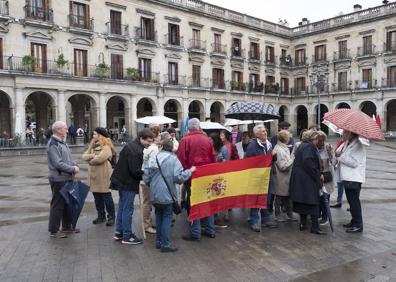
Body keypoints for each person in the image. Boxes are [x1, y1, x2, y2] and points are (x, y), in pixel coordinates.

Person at [143, 137, 196, 252]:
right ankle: (165, 243)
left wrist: (152, 184)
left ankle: (159, 241)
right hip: (167, 194)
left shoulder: (153, 157)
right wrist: (190, 171)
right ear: (172, 148)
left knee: (159, 215)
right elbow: (179, 178)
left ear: (161, 147)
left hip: (154, 193)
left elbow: (146, 176)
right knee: (167, 216)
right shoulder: (173, 159)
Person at [110, 128, 155, 245]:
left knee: (122, 207)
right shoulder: (137, 151)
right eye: (148, 141)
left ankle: (119, 232)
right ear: (141, 138)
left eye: (151, 142)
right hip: (127, 182)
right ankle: (127, 236)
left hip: (121, 180)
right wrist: (144, 173)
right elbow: (135, 171)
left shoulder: (132, 145)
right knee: (127, 209)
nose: (150, 144)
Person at [177, 118, 216, 241]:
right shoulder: (207, 140)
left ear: (188, 128)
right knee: (207, 202)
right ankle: (210, 229)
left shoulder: (185, 140)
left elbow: (181, 160)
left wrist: (185, 173)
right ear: (199, 127)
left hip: (192, 176)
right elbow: (213, 158)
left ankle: (195, 232)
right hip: (206, 176)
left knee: (193, 204)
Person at [47, 121, 80, 238]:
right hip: (59, 179)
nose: (67, 130)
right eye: (65, 129)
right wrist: (72, 169)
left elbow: (67, 159)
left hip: (66, 177)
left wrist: (74, 164)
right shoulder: (53, 144)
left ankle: (66, 227)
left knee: (67, 203)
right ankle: (54, 230)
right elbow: (58, 163)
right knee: (57, 204)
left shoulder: (62, 143)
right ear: (58, 130)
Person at [289, 130, 326, 235]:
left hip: (301, 179)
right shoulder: (309, 147)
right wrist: (318, 175)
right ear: (314, 139)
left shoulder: (303, 145)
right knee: (314, 202)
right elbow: (308, 162)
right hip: (306, 179)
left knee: (304, 201)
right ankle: (314, 227)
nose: (320, 142)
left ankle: (303, 224)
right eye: (319, 140)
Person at [244, 124, 277, 232]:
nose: (265, 132)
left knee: (266, 198)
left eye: (265, 130)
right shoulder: (252, 146)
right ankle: (253, 221)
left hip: (267, 176)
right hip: (257, 177)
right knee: (256, 199)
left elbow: (271, 160)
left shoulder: (269, 144)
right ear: (257, 134)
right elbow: (248, 162)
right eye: (262, 131)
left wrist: (273, 156)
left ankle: (265, 219)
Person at [83, 127, 116, 226]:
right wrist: (93, 156)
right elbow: (84, 156)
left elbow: (101, 159)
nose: (93, 136)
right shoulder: (92, 146)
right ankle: (101, 216)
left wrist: (91, 159)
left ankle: (111, 217)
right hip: (94, 175)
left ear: (100, 135)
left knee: (106, 196)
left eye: (95, 134)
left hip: (104, 175)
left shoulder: (106, 146)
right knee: (97, 197)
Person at [336, 130, 366, 233]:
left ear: (351, 134)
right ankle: (354, 221)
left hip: (354, 178)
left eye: (345, 133)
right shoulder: (348, 143)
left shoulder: (358, 145)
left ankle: (358, 225)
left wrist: (341, 156)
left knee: (354, 202)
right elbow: (340, 154)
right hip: (348, 177)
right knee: (351, 201)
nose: (342, 134)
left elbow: (354, 163)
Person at [141, 123, 161, 234]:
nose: (160, 137)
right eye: (159, 134)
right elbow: (154, 165)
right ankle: (146, 225)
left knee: (147, 201)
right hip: (149, 179)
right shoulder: (153, 148)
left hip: (145, 177)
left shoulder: (148, 147)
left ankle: (147, 222)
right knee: (147, 202)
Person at [271, 130, 296, 222]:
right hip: (281, 178)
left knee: (286, 197)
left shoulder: (282, 147)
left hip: (285, 178)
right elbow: (282, 166)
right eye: (288, 137)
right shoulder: (278, 149)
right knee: (279, 197)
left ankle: (289, 214)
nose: (290, 138)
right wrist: (292, 160)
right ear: (285, 138)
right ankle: (278, 215)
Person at [316, 131, 336, 225]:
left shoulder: (328, 147)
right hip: (317, 176)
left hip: (326, 176)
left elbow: (334, 162)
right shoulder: (313, 148)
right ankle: (319, 215)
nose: (321, 142)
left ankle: (325, 217)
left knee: (325, 198)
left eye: (323, 140)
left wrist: (331, 155)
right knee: (318, 198)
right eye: (319, 140)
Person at [331, 137, 347, 208]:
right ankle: (339, 201)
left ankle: (351, 204)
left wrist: (339, 156)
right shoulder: (341, 143)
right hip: (340, 168)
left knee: (348, 188)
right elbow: (336, 154)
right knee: (340, 185)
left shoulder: (352, 145)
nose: (343, 135)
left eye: (345, 133)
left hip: (348, 171)